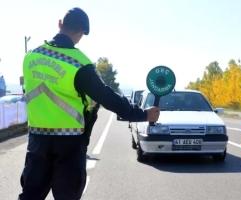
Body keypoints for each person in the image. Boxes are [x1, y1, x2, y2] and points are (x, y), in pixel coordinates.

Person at [19, 7, 160, 200]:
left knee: (30, 196)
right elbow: (108, 98)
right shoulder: (79, 63)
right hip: (69, 144)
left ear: (60, 24)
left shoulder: (30, 57)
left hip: (37, 141)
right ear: (81, 33)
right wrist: (143, 114)